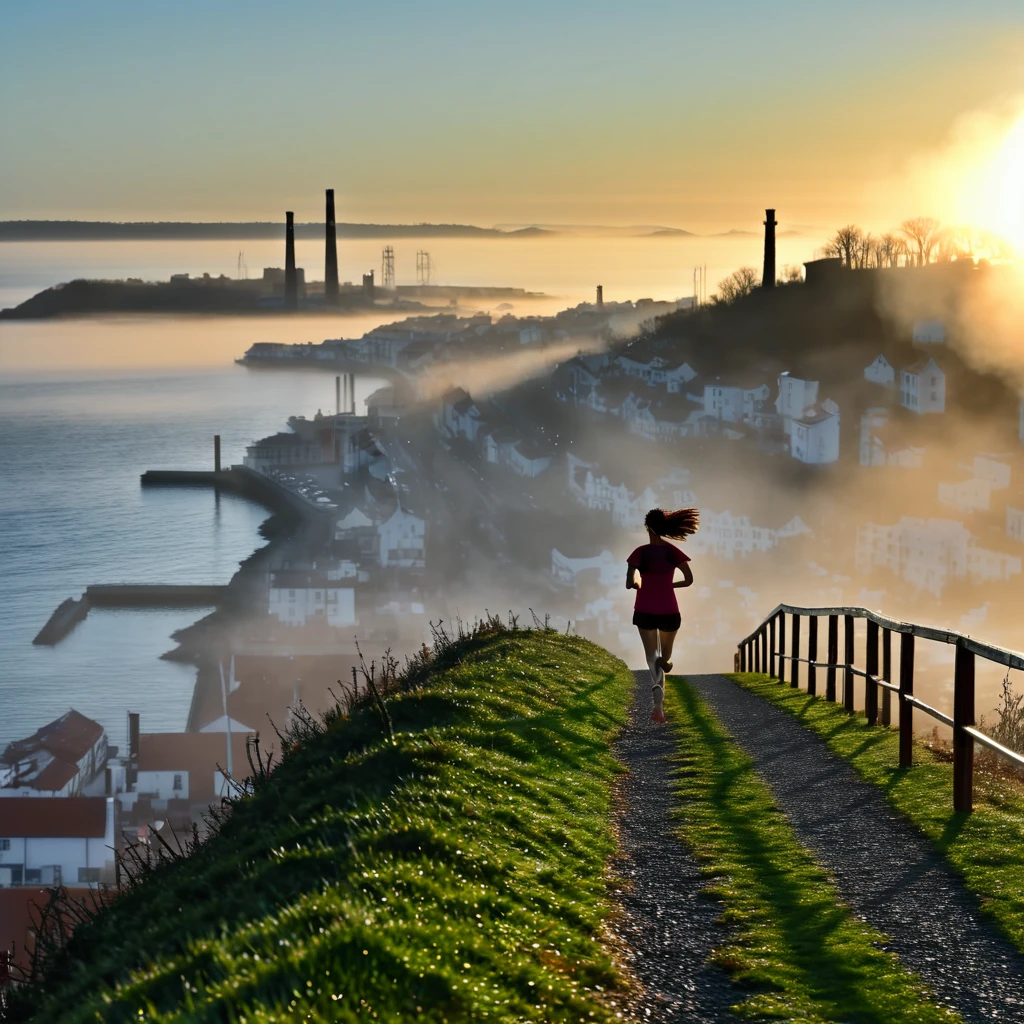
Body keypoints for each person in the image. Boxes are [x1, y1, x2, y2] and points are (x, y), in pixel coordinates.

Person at [626, 507, 698, 722]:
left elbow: (631, 583)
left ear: (647, 528)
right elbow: (689, 579)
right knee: (664, 655)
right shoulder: (673, 552)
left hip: (644, 610)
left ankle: (658, 700)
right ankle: (666, 663)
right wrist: (668, 585)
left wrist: (641, 583)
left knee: (651, 656)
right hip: (669, 610)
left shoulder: (639, 553)